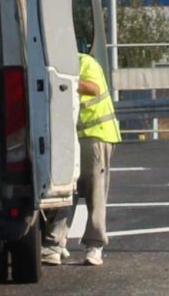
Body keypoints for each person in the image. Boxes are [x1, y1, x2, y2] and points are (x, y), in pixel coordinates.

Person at [47, 46, 119, 266]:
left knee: (95, 193)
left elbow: (93, 88)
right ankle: (54, 243)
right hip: (75, 138)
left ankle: (94, 246)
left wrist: (62, 81)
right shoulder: (61, 65)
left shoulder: (84, 62)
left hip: (96, 136)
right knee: (68, 190)